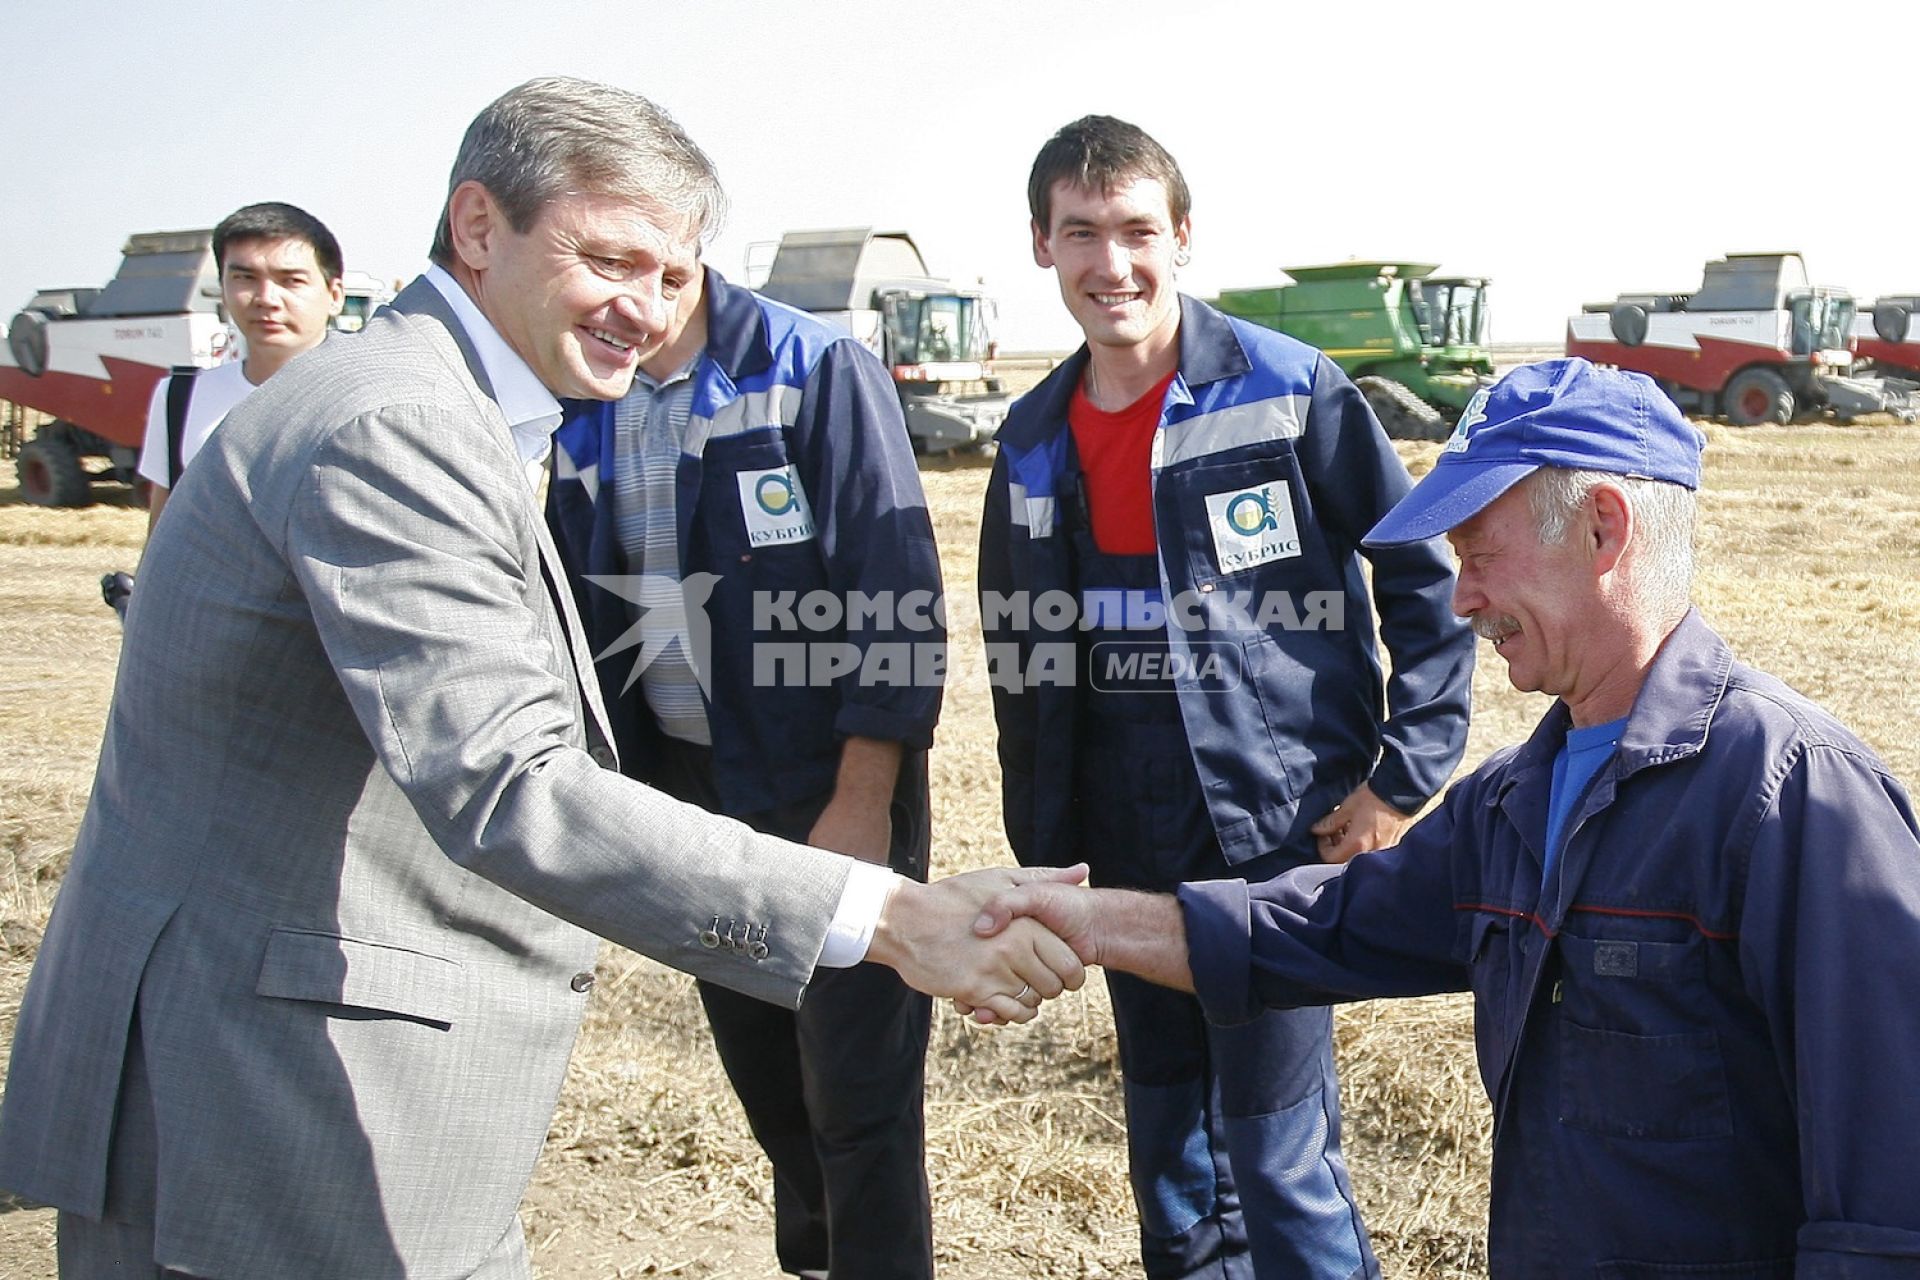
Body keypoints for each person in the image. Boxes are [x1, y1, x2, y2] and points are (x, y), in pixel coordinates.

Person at [0, 77, 1083, 1280]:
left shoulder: (492, 397)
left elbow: (888, 603)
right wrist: (885, 909)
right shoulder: (397, 425)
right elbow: (510, 779)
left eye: (671, 274)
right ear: (478, 227)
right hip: (266, 1106)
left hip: (282, 1081)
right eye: (611, 258)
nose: (645, 307)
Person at [975, 357, 1920, 1275]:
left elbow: (1886, 1206)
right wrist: (1090, 920)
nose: (1462, 597)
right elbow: (1305, 930)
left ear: (1602, 528)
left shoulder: (1795, 796)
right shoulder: (1513, 804)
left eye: (1479, 550)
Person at [978, 115, 1474, 1280]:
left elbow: (1422, 576)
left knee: (1278, 1149)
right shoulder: (1032, 435)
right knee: (1169, 1148)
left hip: (1273, 830)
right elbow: (1020, 654)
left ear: (1184, 237)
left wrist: (1400, 776)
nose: (1114, 264)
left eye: (1139, 230)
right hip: (1117, 833)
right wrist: (1043, 845)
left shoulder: (1290, 390)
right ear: (1042, 246)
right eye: (1082, 233)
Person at [547, 257, 945, 1279]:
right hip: (688, 790)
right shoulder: (585, 389)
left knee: (859, 1087)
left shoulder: (811, 368)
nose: (630, 283)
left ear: (689, 237)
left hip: (823, 784)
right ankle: (814, 1259)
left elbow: (894, 592)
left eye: (651, 249)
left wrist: (864, 800)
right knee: (765, 1071)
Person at [102, 202, 347, 620]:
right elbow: (164, 534)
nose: (267, 299)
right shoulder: (181, 396)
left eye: (291, 281)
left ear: (333, 295)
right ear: (223, 287)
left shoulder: (369, 401)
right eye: (245, 277)